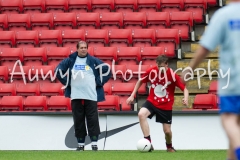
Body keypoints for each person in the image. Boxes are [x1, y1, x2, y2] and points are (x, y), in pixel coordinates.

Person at [181, 1, 240, 159]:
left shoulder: (223, 15)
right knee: (235, 133)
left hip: (233, 81)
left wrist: (190, 68)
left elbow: (205, 47)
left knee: (228, 119)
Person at [55, 41, 111, 151]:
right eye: (81, 48)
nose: (83, 49)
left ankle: (94, 144)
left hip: (91, 96)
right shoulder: (70, 60)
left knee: (93, 120)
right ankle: (81, 145)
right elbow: (58, 70)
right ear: (77, 49)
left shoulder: (94, 60)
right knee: (78, 120)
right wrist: (67, 82)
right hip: (76, 96)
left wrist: (99, 82)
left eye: (85, 47)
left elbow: (107, 70)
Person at [126, 55, 189, 152]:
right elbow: (140, 81)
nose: (160, 69)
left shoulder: (172, 75)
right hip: (152, 101)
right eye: (158, 66)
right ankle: (148, 142)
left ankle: (169, 147)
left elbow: (185, 89)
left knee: (167, 131)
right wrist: (132, 95)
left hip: (166, 105)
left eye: (162, 67)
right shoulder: (152, 71)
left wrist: (186, 98)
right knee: (141, 114)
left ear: (167, 64)